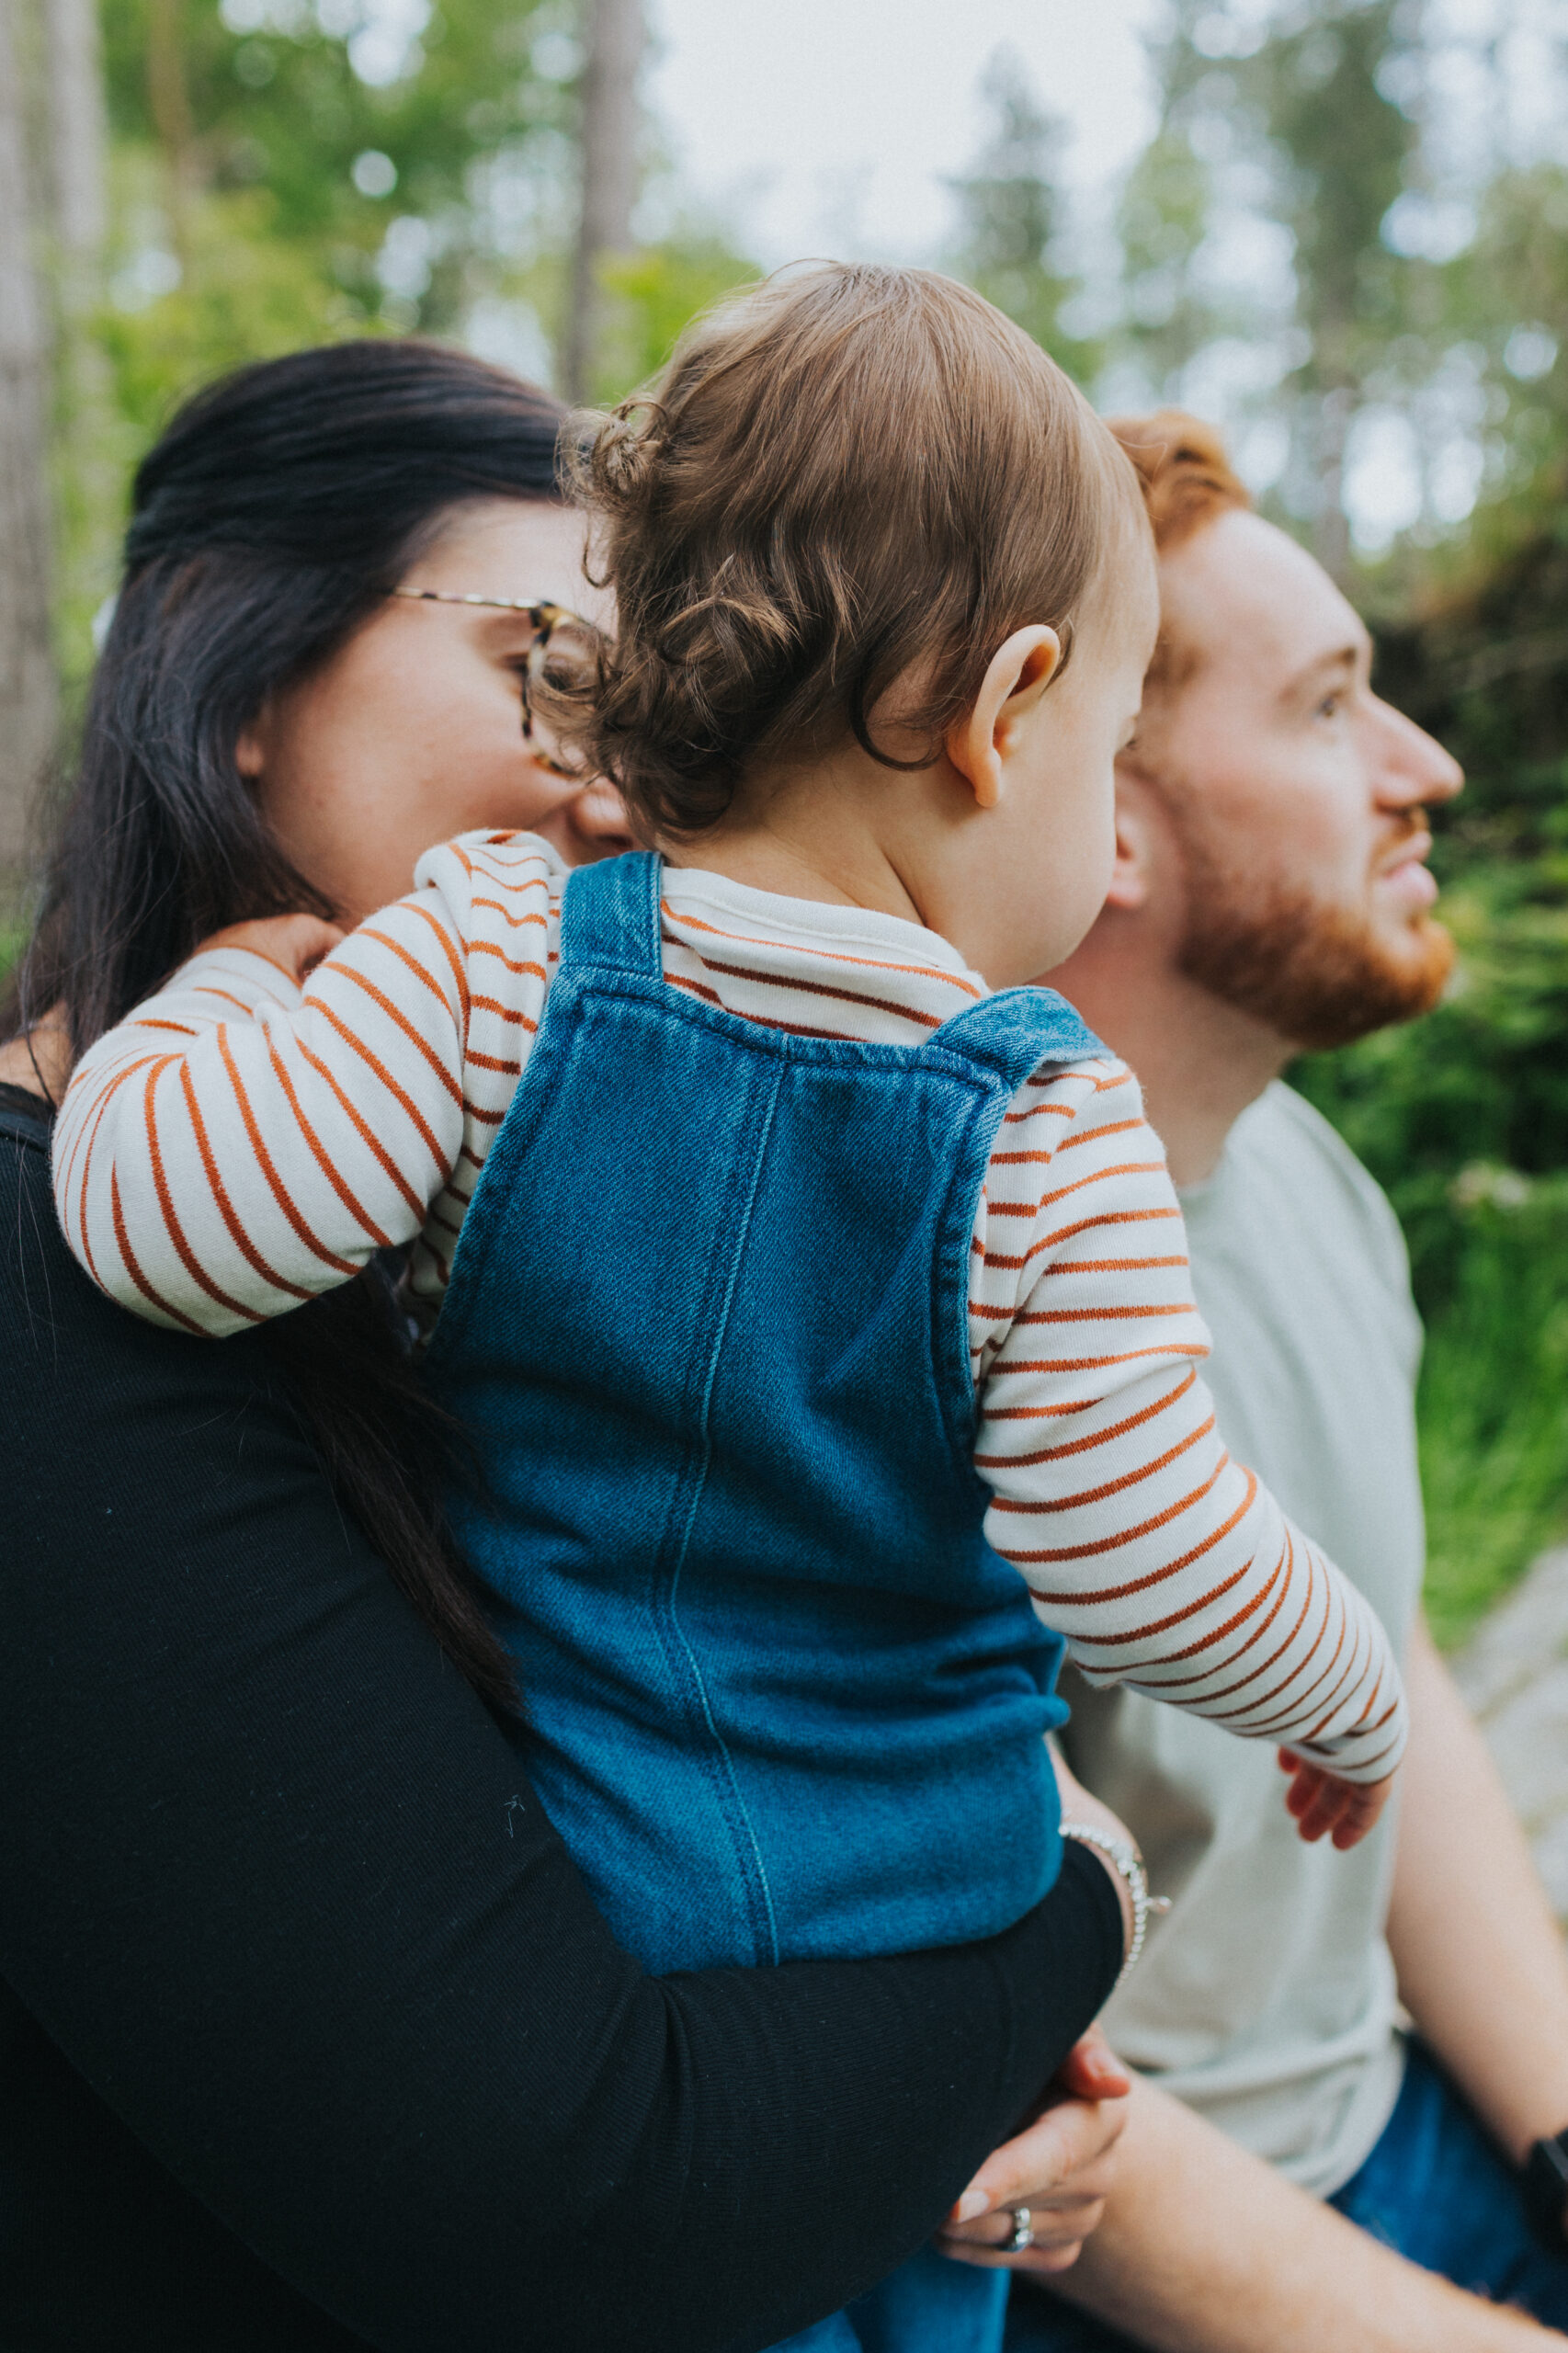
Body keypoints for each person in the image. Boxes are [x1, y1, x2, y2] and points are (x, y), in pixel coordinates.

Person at [60, 272, 1407, 2351]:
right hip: (919, 1885)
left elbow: (166, 1223)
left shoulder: (485, 957)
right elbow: (1149, 1547)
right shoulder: (1045, 1115)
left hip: (628, 1883)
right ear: (1005, 706)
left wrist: (226, 999)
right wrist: (1347, 1692)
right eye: (1106, 751)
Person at [997, 413, 1568, 2349]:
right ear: (1109, 810)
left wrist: (1558, 2139)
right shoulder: (948, 1315)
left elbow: (1380, 1649)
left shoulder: (1303, 1166)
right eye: (1330, 707)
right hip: (1114, 2265)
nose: (1426, 770)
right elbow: (979, 2048)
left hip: (1393, 2120)